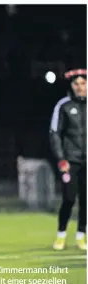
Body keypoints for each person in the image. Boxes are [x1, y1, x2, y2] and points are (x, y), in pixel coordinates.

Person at [49, 68, 86, 251]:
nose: (80, 87)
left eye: (83, 83)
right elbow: (55, 133)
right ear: (71, 86)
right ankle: (61, 234)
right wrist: (61, 158)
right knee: (69, 198)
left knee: (86, 200)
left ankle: (81, 235)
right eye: (76, 84)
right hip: (71, 161)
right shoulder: (63, 105)